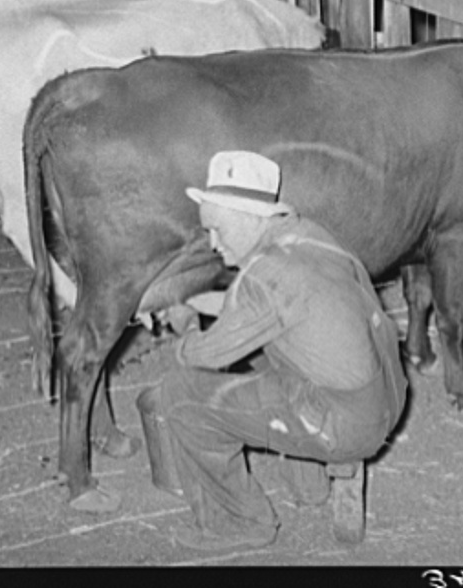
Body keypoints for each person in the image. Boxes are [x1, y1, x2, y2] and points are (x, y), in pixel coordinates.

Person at [137, 150, 408, 551]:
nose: (213, 245)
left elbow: (204, 356)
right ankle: (313, 484)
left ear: (248, 217)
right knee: (276, 350)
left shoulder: (266, 275)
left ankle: (238, 523)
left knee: (182, 394)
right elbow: (260, 306)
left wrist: (185, 325)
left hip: (342, 422)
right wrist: (194, 302)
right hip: (383, 395)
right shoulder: (305, 234)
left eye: (216, 230)